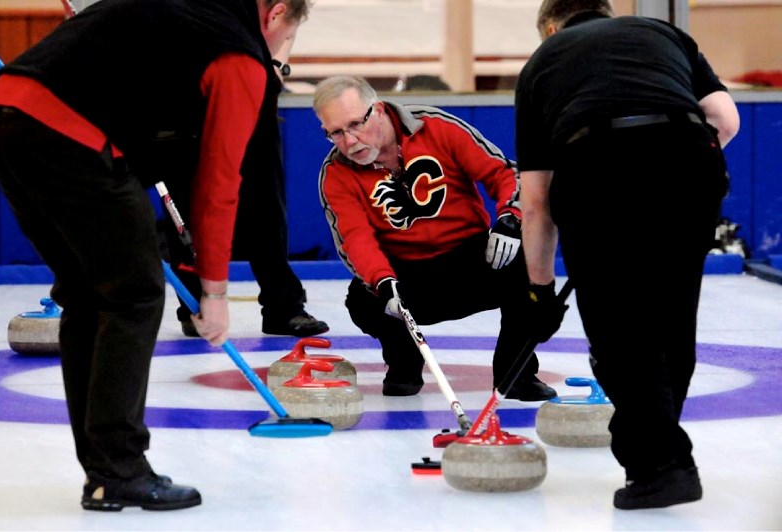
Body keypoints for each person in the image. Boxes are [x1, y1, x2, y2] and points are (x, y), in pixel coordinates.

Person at [0, 0, 311, 512]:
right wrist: (215, 292)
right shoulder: (239, 55)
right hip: (69, 133)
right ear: (275, 13)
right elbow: (220, 184)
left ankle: (104, 470)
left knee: (89, 296)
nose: (278, 54)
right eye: (286, 40)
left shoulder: (185, 14)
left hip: (8, 115)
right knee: (133, 294)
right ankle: (120, 468)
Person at [514, 0, 740, 510]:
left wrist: (540, 289)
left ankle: (662, 466)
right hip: (689, 160)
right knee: (671, 321)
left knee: (619, 331)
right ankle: (658, 455)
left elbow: (535, 201)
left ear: (551, 28)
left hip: (597, 168)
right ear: (609, 14)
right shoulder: (661, 33)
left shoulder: (543, 60)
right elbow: (725, 117)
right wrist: (684, 161)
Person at [312, 75, 557, 400]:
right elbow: (354, 239)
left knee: (529, 260)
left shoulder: (436, 127)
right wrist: (382, 281)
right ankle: (404, 364)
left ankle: (517, 375)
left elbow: (502, 173)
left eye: (356, 124)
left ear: (380, 109)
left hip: (471, 259)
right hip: (408, 276)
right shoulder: (336, 173)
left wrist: (510, 221)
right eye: (336, 133)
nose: (350, 141)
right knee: (362, 299)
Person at [167, 34, 329, 339]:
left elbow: (289, 11)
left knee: (265, 199)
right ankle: (193, 306)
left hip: (250, 82)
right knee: (186, 202)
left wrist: (277, 62)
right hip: (187, 87)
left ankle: (284, 306)